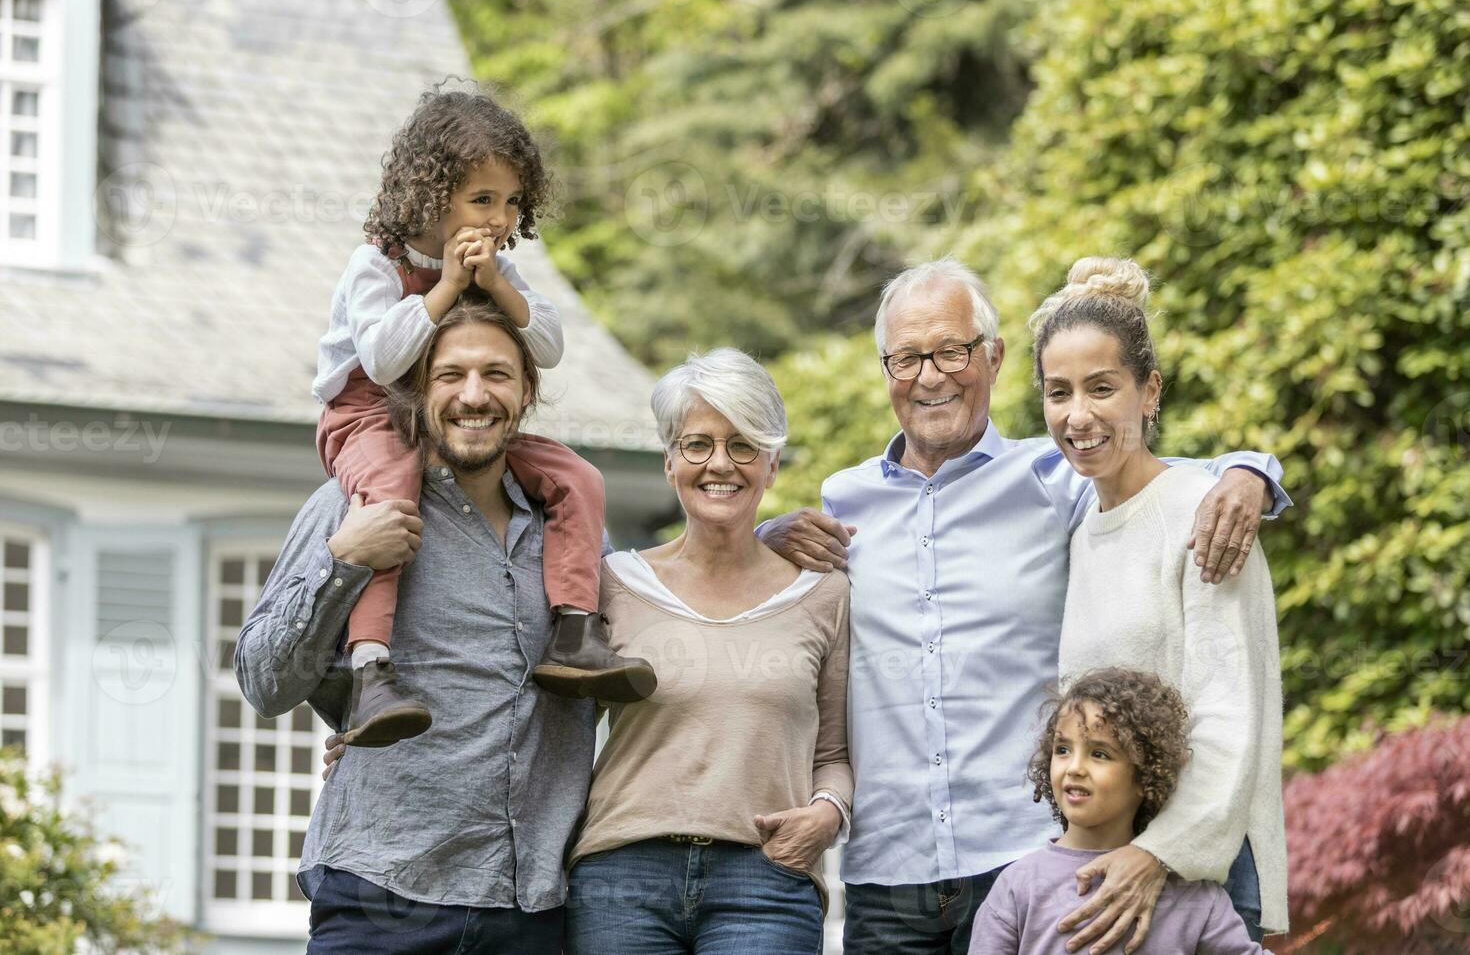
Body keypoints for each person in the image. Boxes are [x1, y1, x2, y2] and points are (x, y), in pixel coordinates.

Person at [757, 257, 1292, 954]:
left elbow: (1155, 483)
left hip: (1031, 854)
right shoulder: (841, 504)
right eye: (907, 357)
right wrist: (764, 535)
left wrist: (1251, 471)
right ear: (885, 369)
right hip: (887, 872)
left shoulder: (1057, 479)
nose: (931, 374)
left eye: (952, 350)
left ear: (994, 357)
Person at [237, 301, 595, 953]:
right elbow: (265, 683)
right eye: (450, 375)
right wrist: (342, 563)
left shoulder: (570, 537)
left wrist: (770, 539)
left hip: (531, 908)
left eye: (496, 374)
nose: (474, 395)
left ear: (527, 390)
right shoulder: (352, 507)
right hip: (380, 890)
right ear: (416, 390)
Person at [312, 84, 652, 747]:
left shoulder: (495, 268)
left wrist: (495, 284)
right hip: (368, 417)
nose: (499, 218)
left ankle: (575, 628)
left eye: (511, 202)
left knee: (576, 475)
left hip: (464, 419)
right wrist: (445, 288)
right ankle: (371, 669)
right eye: (482, 200)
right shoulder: (376, 265)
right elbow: (382, 362)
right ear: (432, 194)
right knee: (390, 496)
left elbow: (548, 346)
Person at [1032, 257, 1288, 946]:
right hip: (1118, 865)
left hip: (1206, 868)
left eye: (1102, 388)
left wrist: (1159, 852)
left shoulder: (1203, 513)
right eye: (1058, 393)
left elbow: (1232, 715)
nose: (1077, 416)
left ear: (1150, 392)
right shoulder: (1083, 529)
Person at [564, 349, 852, 955]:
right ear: (670, 463)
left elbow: (834, 753)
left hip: (766, 880)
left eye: (743, 445)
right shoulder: (612, 582)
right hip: (622, 878)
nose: (719, 463)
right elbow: (550, 729)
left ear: (771, 465)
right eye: (697, 444)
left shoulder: (823, 594)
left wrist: (828, 815)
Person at [969, 669, 1267, 954]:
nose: (1074, 767)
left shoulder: (1195, 897)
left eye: (1099, 754)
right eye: (1062, 749)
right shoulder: (1018, 885)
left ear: (1144, 776)